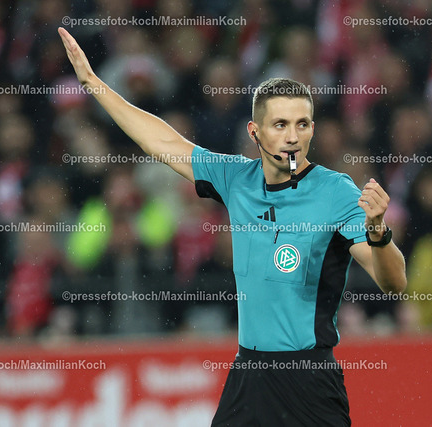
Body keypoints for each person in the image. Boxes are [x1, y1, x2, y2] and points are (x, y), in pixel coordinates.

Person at [58, 27, 406, 427]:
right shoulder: (236, 178)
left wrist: (378, 233)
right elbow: (162, 143)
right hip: (248, 374)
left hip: (307, 381)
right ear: (254, 132)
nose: (293, 137)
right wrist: (94, 85)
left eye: (302, 124)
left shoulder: (336, 192)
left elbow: (394, 284)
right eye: (280, 125)